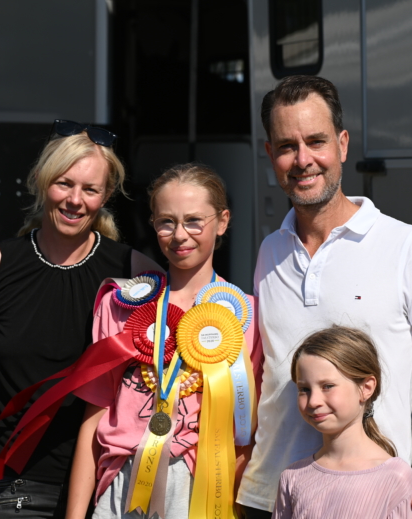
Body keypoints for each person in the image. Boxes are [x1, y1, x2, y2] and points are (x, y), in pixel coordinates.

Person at [237, 75, 412, 519]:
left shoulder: (406, 246)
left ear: (342, 145)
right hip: (268, 498)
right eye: (287, 146)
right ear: (270, 155)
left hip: (368, 501)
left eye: (316, 141)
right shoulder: (270, 250)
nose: (303, 160)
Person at [0, 120, 159, 519]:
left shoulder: (137, 275)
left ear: (106, 195)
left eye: (90, 189)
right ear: (43, 182)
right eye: (64, 184)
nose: (75, 200)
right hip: (11, 484)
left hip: (106, 484)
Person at [65, 163, 263, 519]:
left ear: (222, 221)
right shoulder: (119, 305)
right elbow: (93, 417)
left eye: (194, 220)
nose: (180, 235)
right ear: (153, 223)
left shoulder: (248, 316)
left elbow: (245, 433)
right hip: (121, 486)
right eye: (167, 222)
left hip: (202, 491)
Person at [273, 326, 412, 519]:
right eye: (304, 389)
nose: (314, 401)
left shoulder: (395, 478)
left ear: (366, 388)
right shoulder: (292, 477)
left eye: (328, 386)